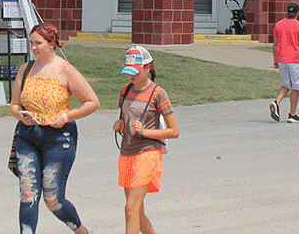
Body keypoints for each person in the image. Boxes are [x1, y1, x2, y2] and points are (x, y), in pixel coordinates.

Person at [10, 23, 99, 234]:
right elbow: (14, 104)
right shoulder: (26, 69)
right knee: (28, 195)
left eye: (38, 43)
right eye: (31, 43)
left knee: (53, 199)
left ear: (52, 44)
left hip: (58, 138)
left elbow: (92, 102)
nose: (33, 48)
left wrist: (67, 116)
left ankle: (81, 230)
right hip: (28, 136)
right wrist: (20, 115)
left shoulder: (65, 70)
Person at [113, 46, 180, 234]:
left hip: (148, 154)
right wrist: (120, 126)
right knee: (136, 211)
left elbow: (174, 131)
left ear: (147, 67)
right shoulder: (125, 90)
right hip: (126, 153)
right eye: (129, 72)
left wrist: (145, 132)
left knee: (130, 208)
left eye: (136, 71)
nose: (131, 76)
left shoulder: (158, 93)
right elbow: (127, 120)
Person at [272, 3, 299, 123]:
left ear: (287, 12)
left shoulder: (279, 24)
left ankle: (276, 102)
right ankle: (292, 114)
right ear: (298, 13)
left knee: (286, 84)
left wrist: (275, 59)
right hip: (295, 60)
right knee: (296, 87)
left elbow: (275, 44)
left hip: (282, 59)